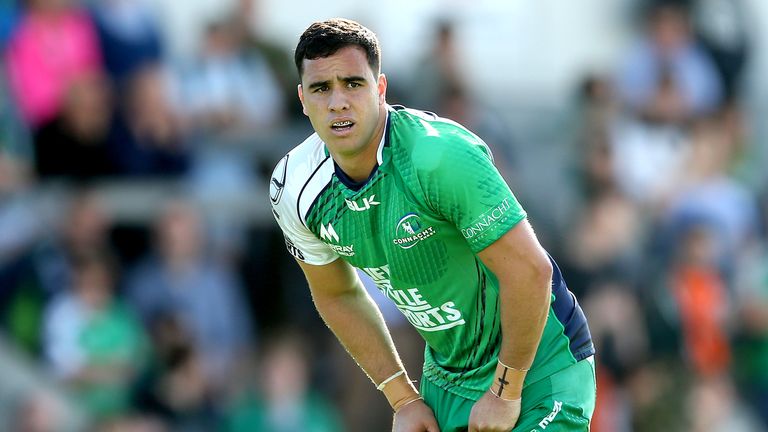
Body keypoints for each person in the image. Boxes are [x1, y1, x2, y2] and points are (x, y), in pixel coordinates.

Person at [269, 18, 595, 431]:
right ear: (302, 98)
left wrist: (504, 392)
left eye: (353, 83)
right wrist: (403, 398)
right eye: (321, 88)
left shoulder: (438, 156)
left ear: (380, 88)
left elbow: (530, 271)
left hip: (539, 363)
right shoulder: (295, 188)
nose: (338, 103)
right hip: (446, 376)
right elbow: (336, 295)